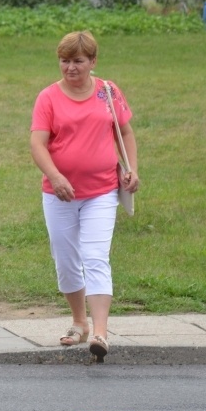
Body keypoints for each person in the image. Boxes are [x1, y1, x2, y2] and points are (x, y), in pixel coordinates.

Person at [29, 30, 139, 361]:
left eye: (78, 61)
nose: (70, 68)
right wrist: (55, 176)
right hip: (59, 194)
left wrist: (132, 169)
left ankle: (101, 332)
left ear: (93, 61)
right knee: (66, 259)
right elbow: (37, 143)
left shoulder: (108, 92)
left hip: (101, 192)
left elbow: (125, 132)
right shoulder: (48, 97)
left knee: (95, 256)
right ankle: (80, 321)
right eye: (64, 61)